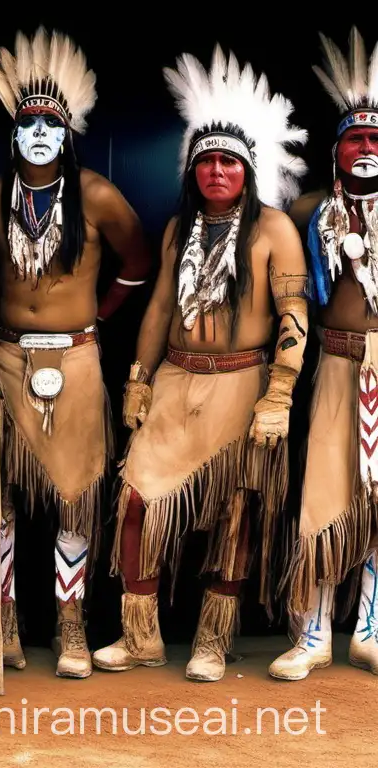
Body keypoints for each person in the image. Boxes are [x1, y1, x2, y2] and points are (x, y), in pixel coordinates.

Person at [94, 47, 308, 683]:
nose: (217, 171)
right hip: (177, 381)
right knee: (137, 502)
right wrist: (138, 379)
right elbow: (159, 308)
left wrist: (281, 392)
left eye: (229, 162)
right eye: (207, 161)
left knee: (235, 512)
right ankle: (141, 638)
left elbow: (294, 311)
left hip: (243, 383)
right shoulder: (176, 230)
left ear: (247, 171)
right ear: (193, 170)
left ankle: (213, 642)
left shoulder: (273, 230)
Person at [0, 28, 153, 679]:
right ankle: (4, 619)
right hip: (8, 360)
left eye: (51, 121)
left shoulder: (95, 195)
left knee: (75, 496)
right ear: (13, 131)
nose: (40, 131)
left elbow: (137, 263)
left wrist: (93, 321)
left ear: (68, 130)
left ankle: (71, 623)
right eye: (29, 120)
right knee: (2, 497)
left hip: (75, 361)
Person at [271, 27, 378, 680]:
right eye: (357, 139)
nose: (368, 148)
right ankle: (312, 634)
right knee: (324, 494)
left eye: (376, 139)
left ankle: (369, 629)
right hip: (336, 367)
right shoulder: (311, 210)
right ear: (337, 151)